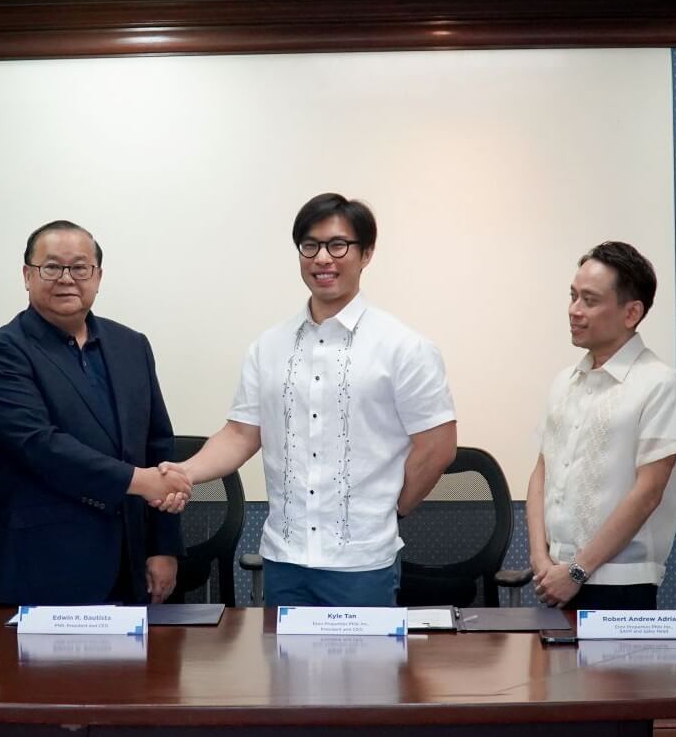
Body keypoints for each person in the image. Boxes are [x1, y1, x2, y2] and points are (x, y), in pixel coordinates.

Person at [162, 193, 457, 607]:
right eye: (310, 245)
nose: (323, 258)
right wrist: (184, 473)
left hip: (362, 566)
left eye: (338, 245)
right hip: (284, 561)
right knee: (284, 673)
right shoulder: (269, 346)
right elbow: (241, 434)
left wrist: (389, 512)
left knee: (367, 674)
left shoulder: (403, 347)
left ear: (366, 254)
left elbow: (438, 447)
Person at [0, 220, 188, 606]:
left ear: (98, 276)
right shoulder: (2, 351)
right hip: (45, 565)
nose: (66, 278)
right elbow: (39, 445)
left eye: (80, 267)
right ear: (27, 275)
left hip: (132, 560)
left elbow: (160, 445)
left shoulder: (131, 345)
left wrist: (164, 546)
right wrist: (139, 481)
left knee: (141, 668)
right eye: (51, 267)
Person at [528, 242, 676, 610]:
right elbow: (542, 471)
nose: (574, 311)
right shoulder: (564, 381)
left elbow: (649, 491)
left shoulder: (660, 384)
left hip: (619, 583)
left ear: (631, 312)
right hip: (552, 578)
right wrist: (541, 557)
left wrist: (578, 571)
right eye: (572, 297)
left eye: (589, 300)